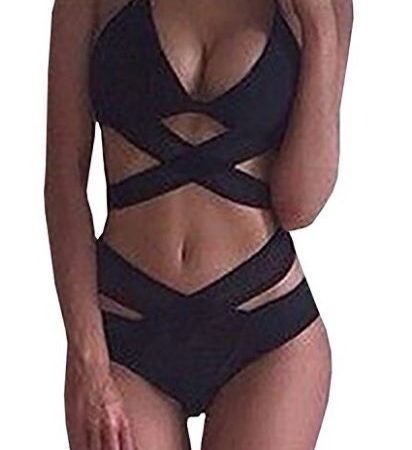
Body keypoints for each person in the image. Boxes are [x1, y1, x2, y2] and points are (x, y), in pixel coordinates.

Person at [44, 0, 353, 448]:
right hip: (123, 331)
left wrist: (320, 27)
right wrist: (86, 359)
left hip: (268, 335)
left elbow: (299, 206)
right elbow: (63, 185)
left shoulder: (326, 11)